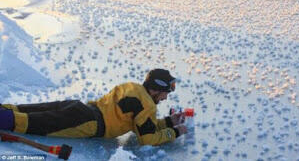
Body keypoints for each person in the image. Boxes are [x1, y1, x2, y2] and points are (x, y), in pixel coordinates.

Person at [0, 69, 187, 146]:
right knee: (29, 122)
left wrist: (169, 121)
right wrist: (175, 132)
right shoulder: (147, 106)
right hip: (87, 123)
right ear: (157, 90)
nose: (165, 97)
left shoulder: (133, 88)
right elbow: (147, 138)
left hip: (79, 108)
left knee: (25, 110)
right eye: (165, 93)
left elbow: (140, 122)